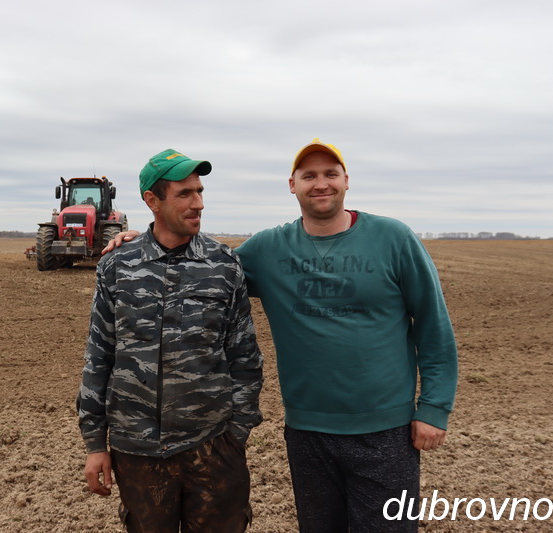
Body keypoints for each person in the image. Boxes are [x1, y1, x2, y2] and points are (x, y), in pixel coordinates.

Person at [105, 139, 458, 532]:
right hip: (308, 433)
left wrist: (434, 407)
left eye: (330, 174)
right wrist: (144, 242)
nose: (320, 184)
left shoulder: (394, 239)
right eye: (309, 176)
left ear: (346, 181)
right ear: (293, 185)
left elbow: (433, 324)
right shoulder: (269, 248)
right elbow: (206, 266)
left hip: (386, 431)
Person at [77, 148, 264, 533]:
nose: (198, 203)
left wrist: (236, 434)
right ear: (152, 201)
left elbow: (245, 358)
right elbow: (100, 357)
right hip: (137, 451)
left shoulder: (224, 265)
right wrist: (96, 444)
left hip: (213, 448)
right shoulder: (117, 266)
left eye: (199, 192)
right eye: (185, 194)